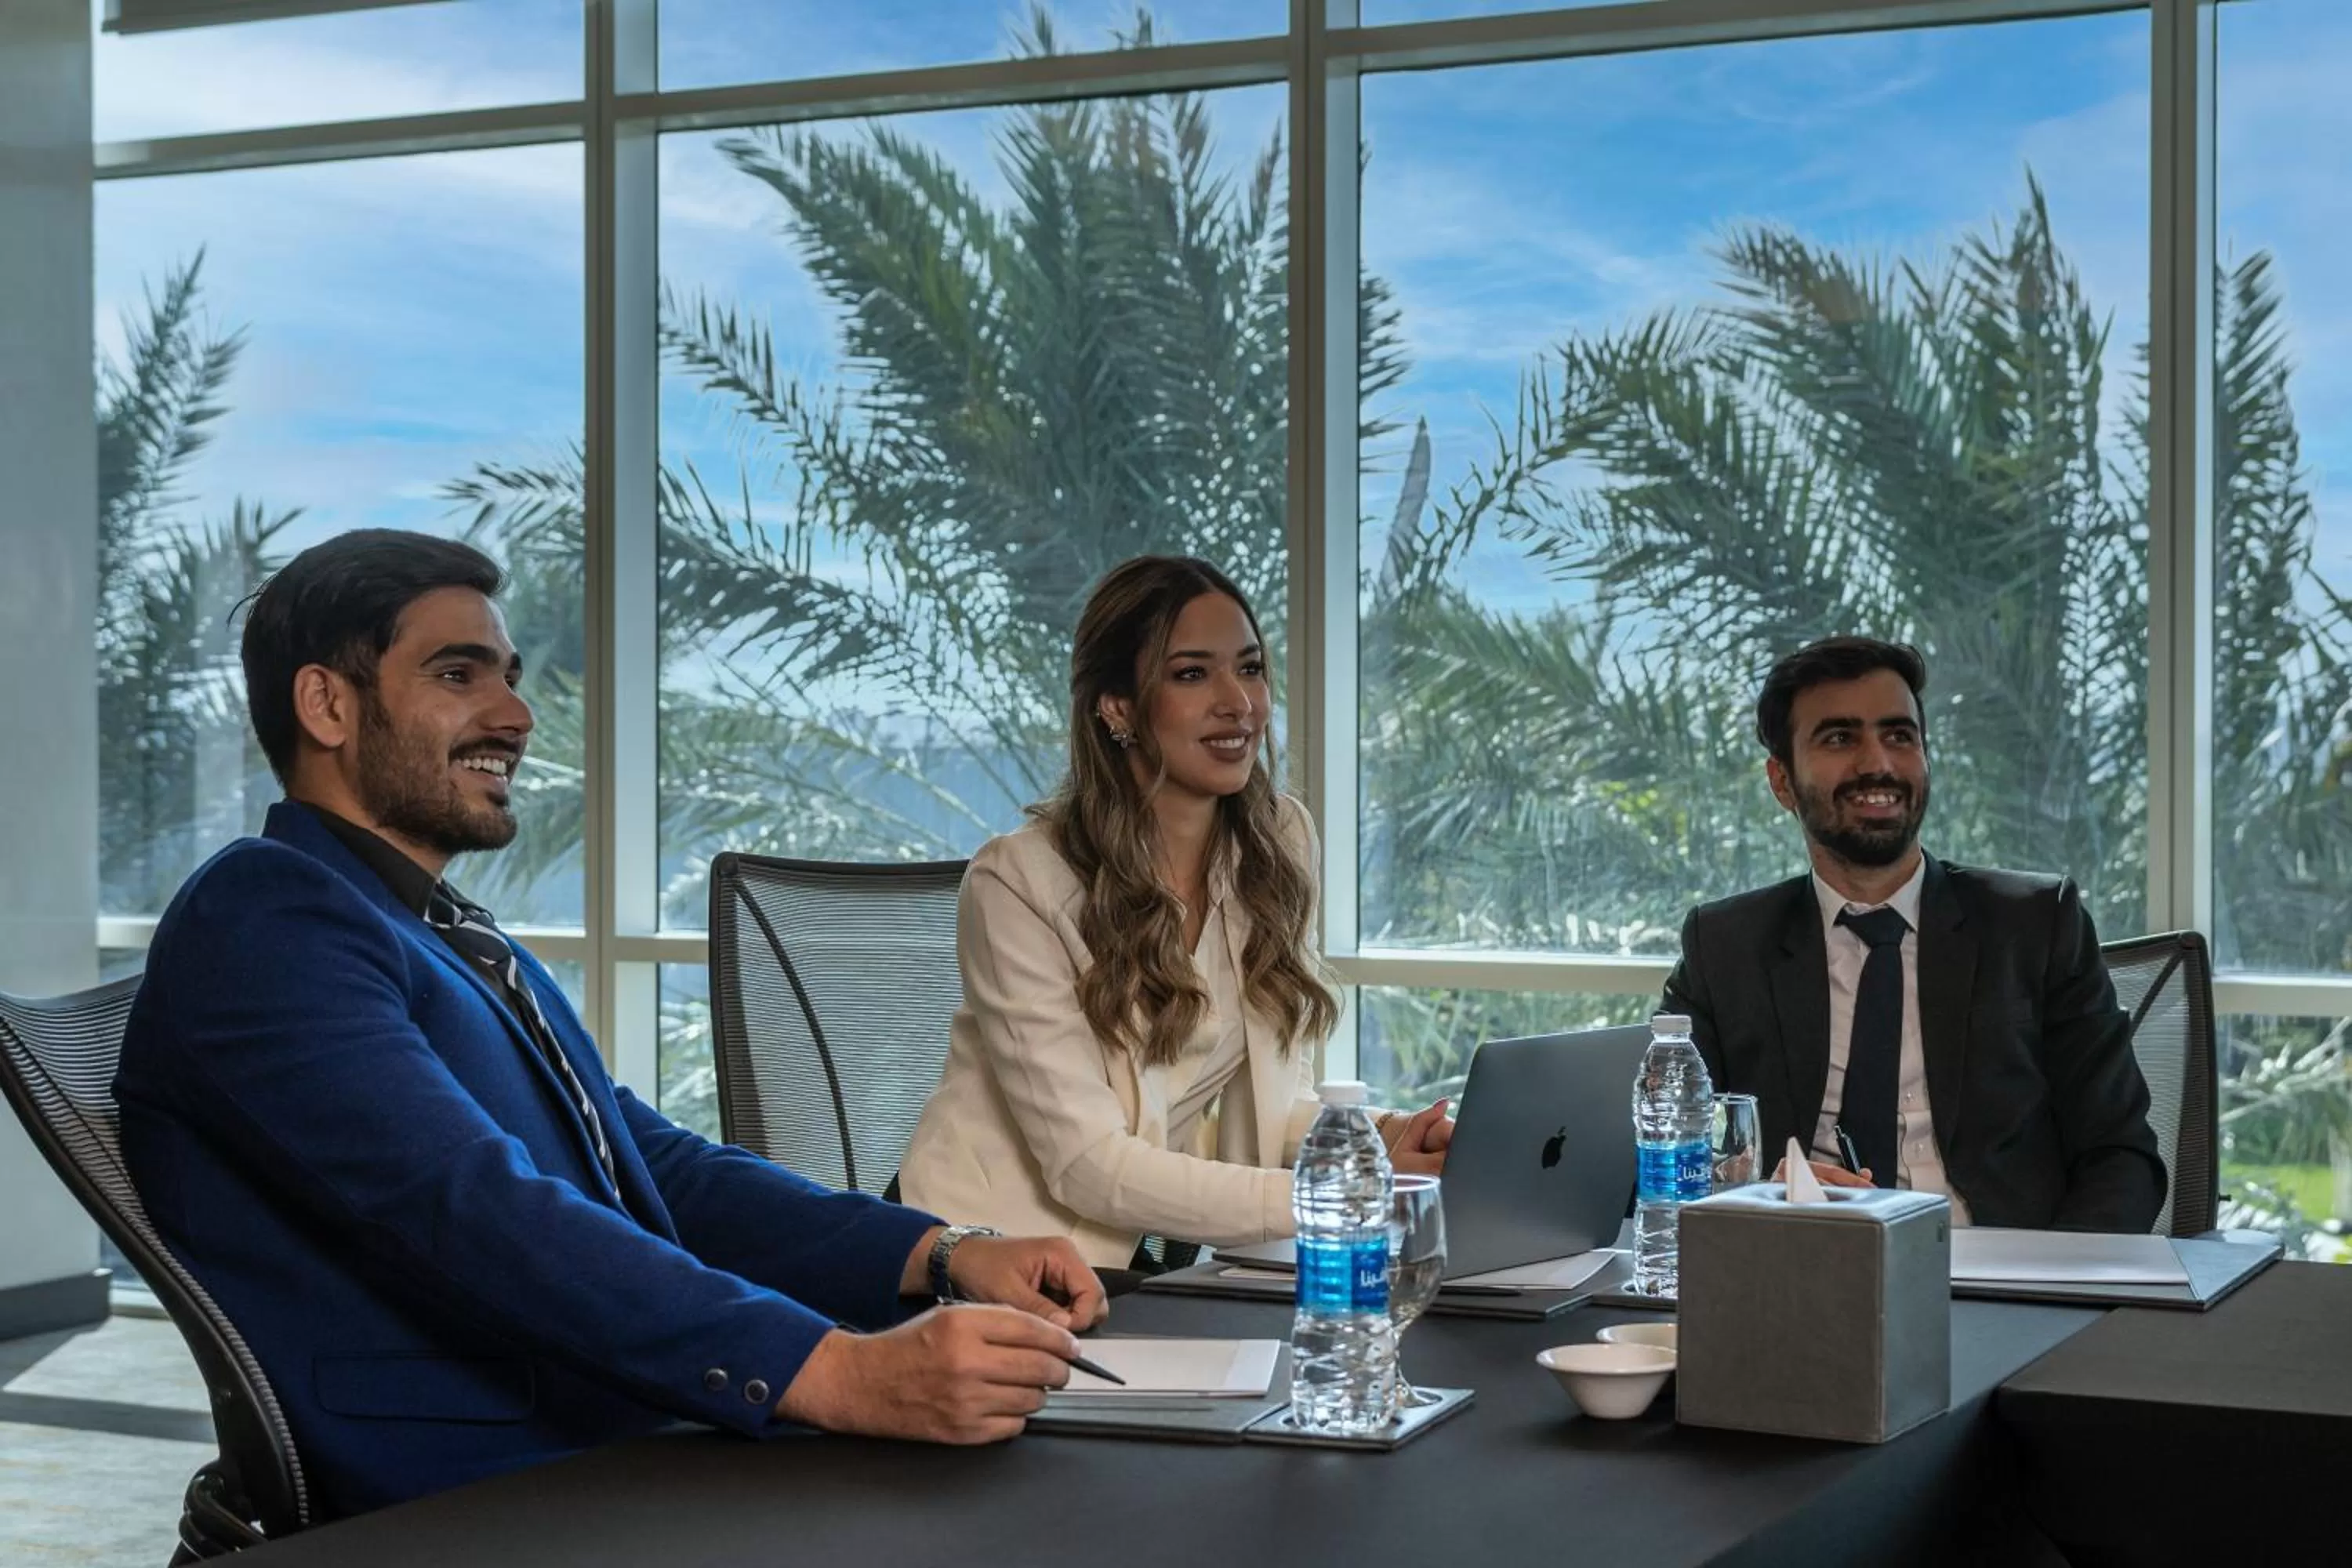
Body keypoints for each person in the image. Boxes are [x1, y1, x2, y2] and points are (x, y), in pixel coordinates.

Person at [114, 530, 1108, 1524]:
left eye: (508, 675)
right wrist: (839, 1373)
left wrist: (939, 1251)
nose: (515, 713)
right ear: (327, 704)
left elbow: (651, 1162)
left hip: (613, 1443)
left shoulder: (437, 929)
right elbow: (476, 1210)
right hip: (482, 1495)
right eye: (457, 673)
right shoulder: (269, 919)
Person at [899, 555, 1450, 1268]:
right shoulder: (1018, 882)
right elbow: (1088, 1166)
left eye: (1249, 668)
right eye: (1192, 674)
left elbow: (1270, 1109)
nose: (1238, 703)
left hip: (1126, 1271)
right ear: (1117, 706)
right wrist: (1347, 1191)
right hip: (987, 1264)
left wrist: (1382, 1137)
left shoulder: (1278, 843)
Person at [1660, 636, 2165, 1233]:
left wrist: (2055, 1293)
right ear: (1782, 782)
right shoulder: (1725, 945)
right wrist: (1756, 1198)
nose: (1878, 763)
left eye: (1899, 736)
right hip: (1802, 1271)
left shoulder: (2035, 924)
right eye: (1840, 738)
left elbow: (2121, 1156)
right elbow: (1663, 1154)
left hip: (2003, 1272)